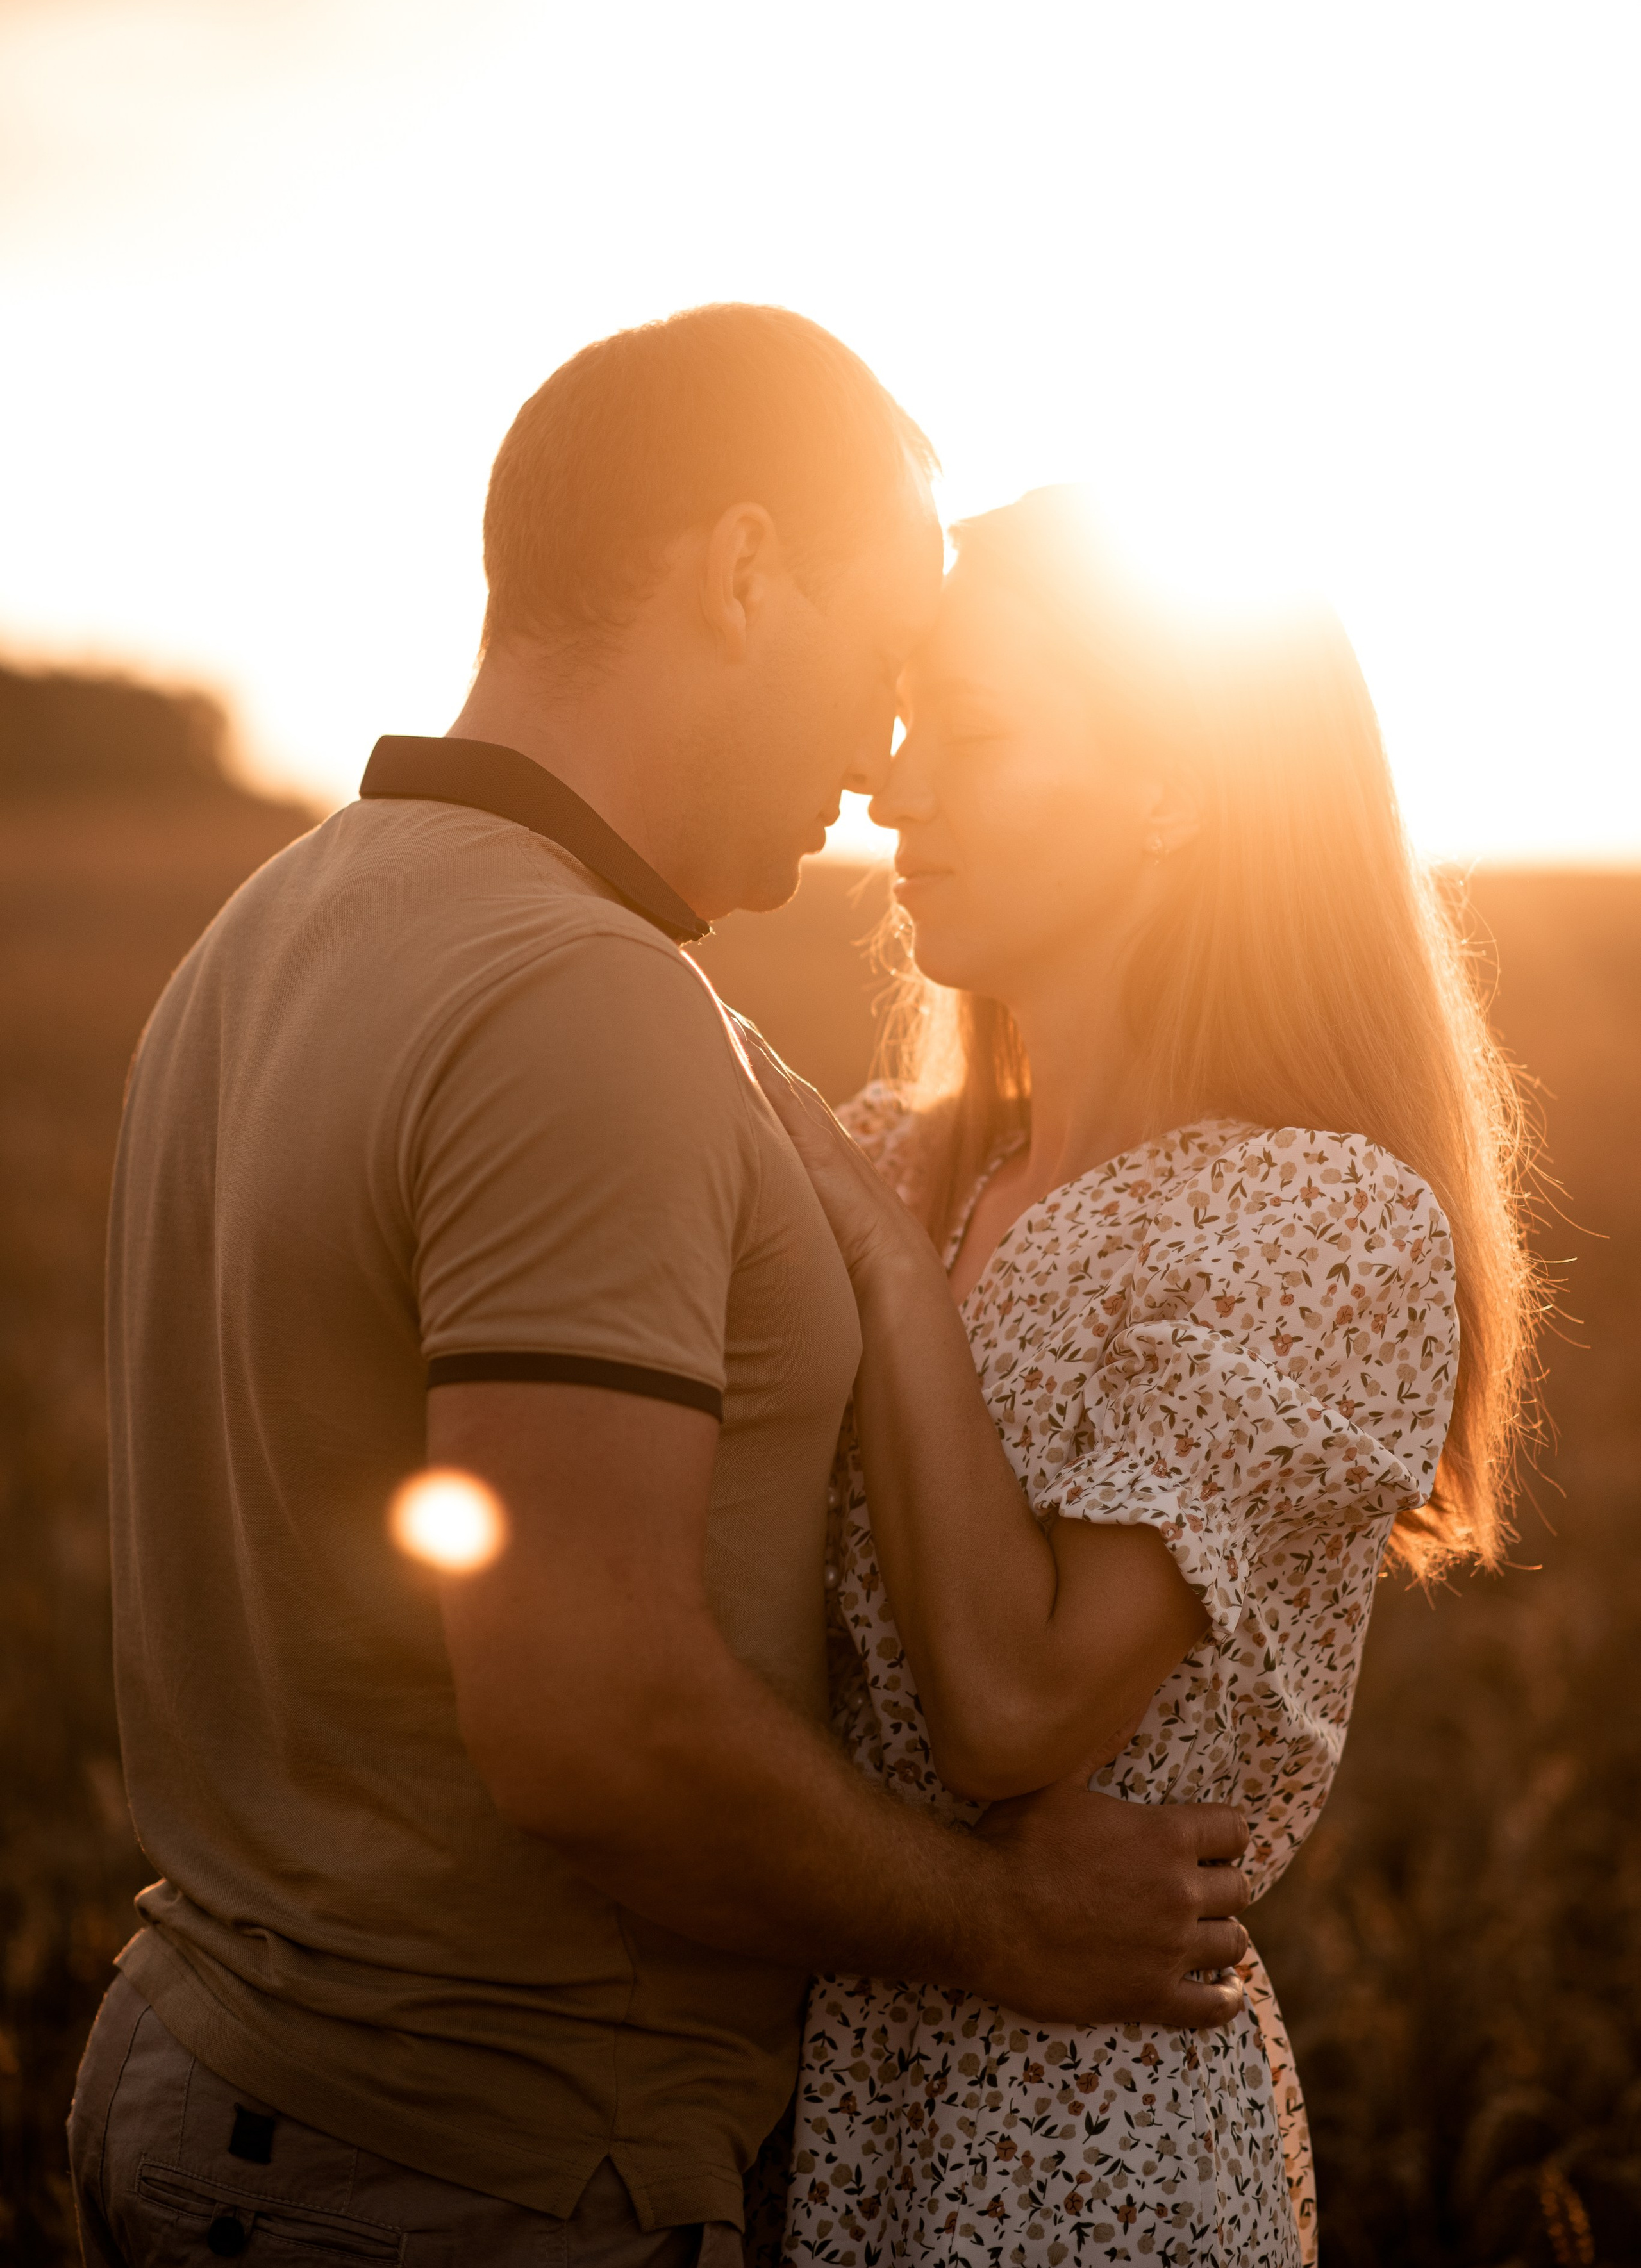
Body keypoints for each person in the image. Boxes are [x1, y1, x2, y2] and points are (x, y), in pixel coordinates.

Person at [69, 315, 1253, 2268]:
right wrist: (1000, 1920)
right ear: (740, 571)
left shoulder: (269, 926)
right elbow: (591, 1713)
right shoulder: (579, 1000)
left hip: (226, 2064)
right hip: (485, 2158)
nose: (885, 763)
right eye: (883, 665)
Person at [752, 488, 1537, 2266]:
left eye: (977, 731)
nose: (896, 785)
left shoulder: (1318, 1217)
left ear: (1174, 784)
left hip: (1083, 2150)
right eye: (905, 722)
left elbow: (1014, 1712)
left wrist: (887, 1269)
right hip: (810, 2103)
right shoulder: (892, 1149)